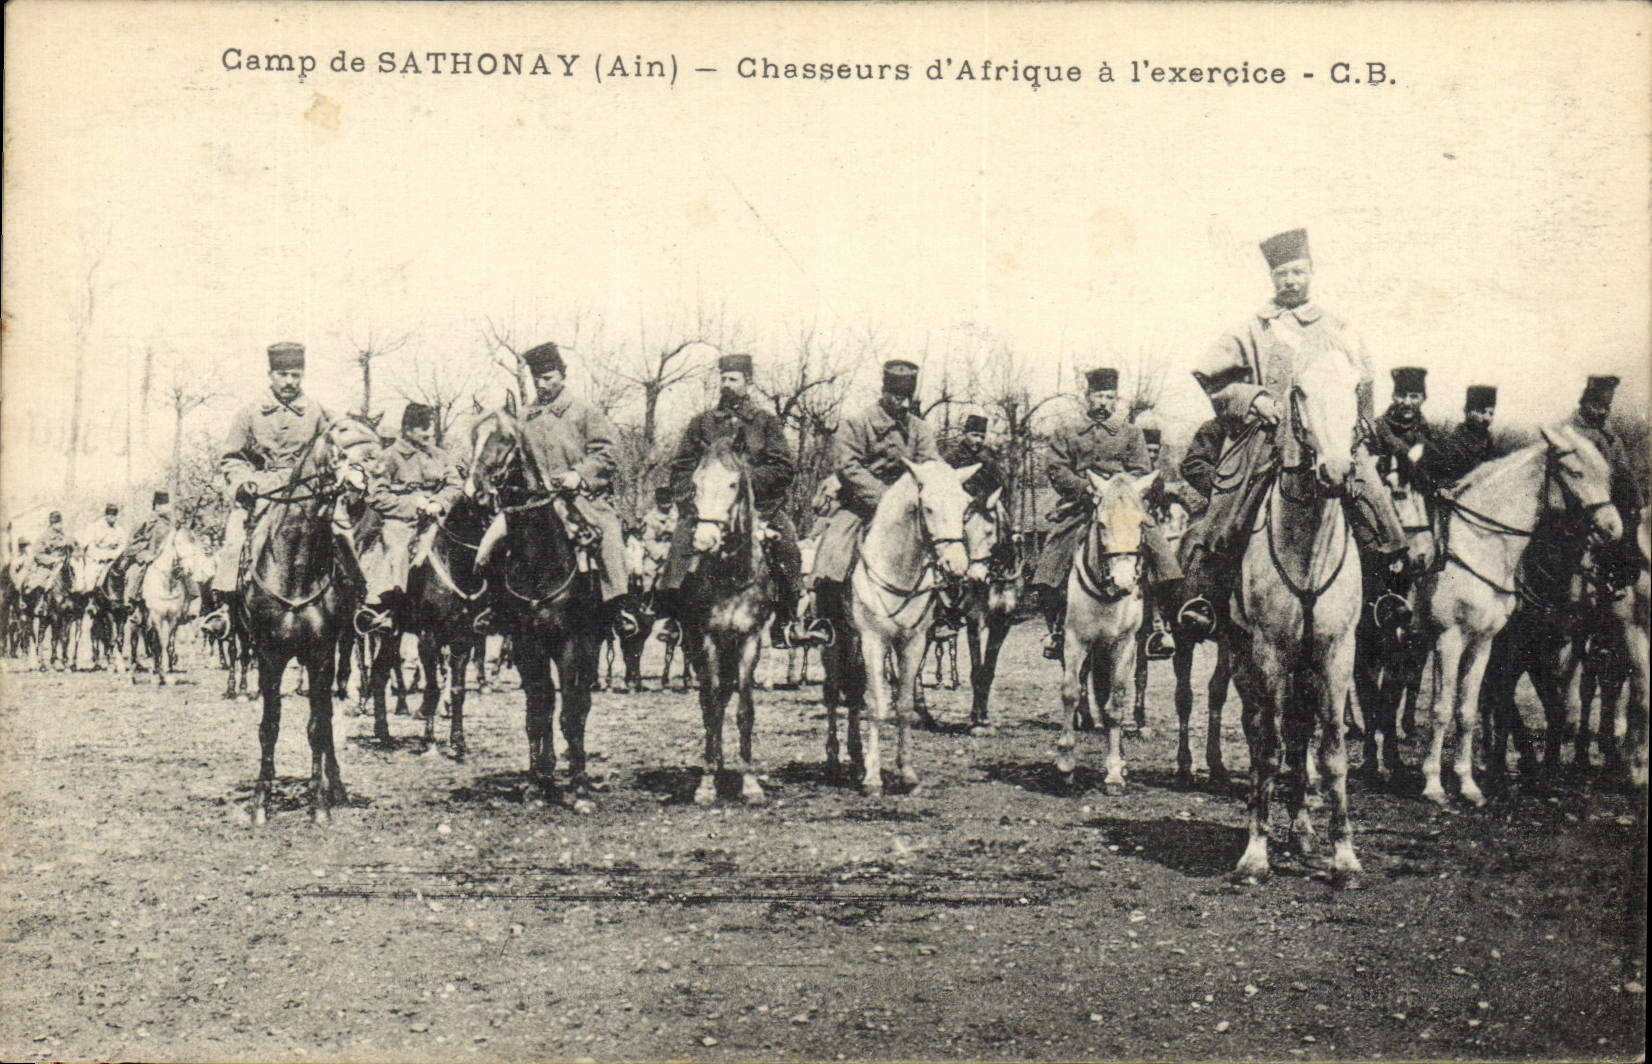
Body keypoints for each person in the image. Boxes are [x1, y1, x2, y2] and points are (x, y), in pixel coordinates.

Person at [1176, 227, 1409, 638]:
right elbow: (1211, 377)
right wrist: (1252, 398)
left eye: (1297, 272)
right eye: (1282, 274)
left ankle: (1383, 596)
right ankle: (1207, 600)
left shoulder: (1337, 328)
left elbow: (1365, 379)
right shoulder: (1252, 330)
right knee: (1227, 507)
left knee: (1371, 502)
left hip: (1331, 438)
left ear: (1312, 272)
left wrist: (1359, 420)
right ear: (1272, 279)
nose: (1290, 281)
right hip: (1263, 438)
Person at [657, 353, 819, 648]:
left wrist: (746, 484)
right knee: (680, 545)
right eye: (723, 379)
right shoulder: (702, 424)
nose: (726, 385)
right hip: (709, 508)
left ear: (748, 382)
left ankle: (787, 620)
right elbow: (681, 467)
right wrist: (691, 497)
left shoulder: (765, 424)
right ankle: (674, 618)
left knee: (787, 545)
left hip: (760, 507)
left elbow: (783, 467)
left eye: (733, 379)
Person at [1030, 367, 1185, 660]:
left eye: (1110, 397)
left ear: (1116, 400)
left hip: (1122, 506)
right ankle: (1056, 629)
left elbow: (1141, 469)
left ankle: (1157, 625)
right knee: (1052, 558)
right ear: (1088, 397)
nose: (1104, 402)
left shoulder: (1130, 432)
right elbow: (1056, 467)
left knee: (1161, 553)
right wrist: (1083, 488)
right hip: (1082, 504)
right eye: (1099, 396)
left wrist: (1119, 490)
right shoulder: (1068, 431)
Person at [812, 361, 943, 623]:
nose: (904, 404)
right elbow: (848, 466)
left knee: (944, 548)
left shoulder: (920, 429)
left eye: (908, 398)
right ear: (884, 393)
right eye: (897, 397)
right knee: (832, 552)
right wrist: (885, 498)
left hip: (908, 510)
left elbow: (930, 465)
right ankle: (825, 620)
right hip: (859, 505)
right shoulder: (857, 424)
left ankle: (941, 616)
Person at [508, 340, 629, 607]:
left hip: (581, 500)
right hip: (534, 503)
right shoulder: (524, 416)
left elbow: (608, 453)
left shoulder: (584, 412)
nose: (541, 385)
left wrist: (580, 474)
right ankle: (495, 612)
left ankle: (619, 607)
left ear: (563, 375)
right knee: (491, 544)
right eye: (536, 379)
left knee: (608, 537)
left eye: (548, 378)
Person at [218, 342, 333, 591]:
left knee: (343, 533)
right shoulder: (249, 413)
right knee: (235, 540)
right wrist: (242, 483)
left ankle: (360, 605)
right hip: (262, 492)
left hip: (309, 493)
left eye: (295, 375)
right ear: (270, 375)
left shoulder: (318, 412)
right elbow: (231, 457)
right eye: (283, 375)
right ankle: (224, 609)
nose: (290, 381)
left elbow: (335, 447)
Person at [353, 402, 464, 633]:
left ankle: (472, 603)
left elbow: (455, 484)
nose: (428, 433)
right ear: (407, 429)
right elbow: (376, 496)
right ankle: (385, 608)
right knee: (398, 550)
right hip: (401, 521)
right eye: (423, 427)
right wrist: (413, 504)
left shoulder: (440, 456)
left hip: (436, 518)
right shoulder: (389, 457)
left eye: (430, 428)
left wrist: (438, 502)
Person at [1568, 375, 1646, 577]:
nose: (1601, 411)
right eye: (1596, 405)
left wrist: (1636, 503)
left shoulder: (1611, 438)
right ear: (1584, 403)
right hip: (1582, 497)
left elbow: (1625, 473)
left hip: (1608, 499)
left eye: (1605, 407)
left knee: (1628, 528)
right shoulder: (1571, 433)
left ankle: (1619, 576)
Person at [1371, 366, 1442, 493]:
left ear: (1423, 398)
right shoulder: (1378, 427)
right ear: (1393, 396)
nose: (1407, 402)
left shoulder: (1427, 431)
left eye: (1414, 396)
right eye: (1401, 395)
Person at [1425, 384, 1498, 488]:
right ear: (1466, 411)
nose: (1486, 418)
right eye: (1481, 412)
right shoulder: (1452, 444)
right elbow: (1439, 479)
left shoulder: (1489, 445)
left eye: (1491, 413)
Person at [113, 493, 174, 607]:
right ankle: (130, 601)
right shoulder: (146, 522)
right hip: (145, 556)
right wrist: (143, 554)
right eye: (162, 505)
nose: (165, 508)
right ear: (155, 506)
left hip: (165, 558)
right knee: (135, 572)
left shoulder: (170, 525)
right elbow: (134, 541)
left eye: (166, 505)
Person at [76, 503, 130, 595]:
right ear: (106, 515)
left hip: (113, 557)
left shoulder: (119, 529)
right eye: (110, 514)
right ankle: (90, 597)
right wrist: (101, 556)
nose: (112, 517)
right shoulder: (95, 527)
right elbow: (90, 545)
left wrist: (114, 555)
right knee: (92, 575)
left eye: (114, 515)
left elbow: (122, 544)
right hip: (96, 557)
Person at [20, 511, 74, 596]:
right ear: (52, 524)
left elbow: (73, 549)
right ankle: (40, 605)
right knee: (39, 585)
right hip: (49, 567)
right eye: (56, 522)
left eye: (60, 522)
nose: (59, 525)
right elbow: (38, 555)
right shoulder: (44, 537)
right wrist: (53, 560)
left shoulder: (64, 536)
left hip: (65, 565)